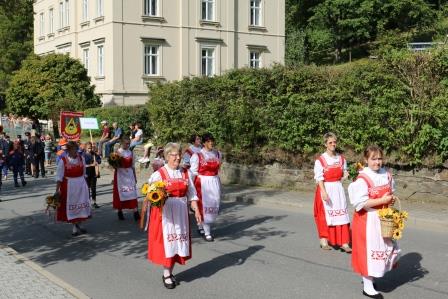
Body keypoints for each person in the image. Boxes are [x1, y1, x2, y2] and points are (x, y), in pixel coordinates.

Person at [147, 142, 202, 289]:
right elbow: (150, 195)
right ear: (167, 156)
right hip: (165, 214)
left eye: (179, 154)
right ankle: (166, 274)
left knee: (178, 243)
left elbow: (192, 193)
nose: (178, 157)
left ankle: (170, 271)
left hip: (181, 212)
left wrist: (196, 210)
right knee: (168, 243)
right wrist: (157, 198)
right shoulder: (159, 174)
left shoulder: (185, 173)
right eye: (174, 155)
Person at [348, 145, 400, 299]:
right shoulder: (362, 179)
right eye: (373, 159)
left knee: (382, 250)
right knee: (368, 253)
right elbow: (361, 203)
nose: (377, 162)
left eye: (379, 158)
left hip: (383, 220)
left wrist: (389, 202)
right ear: (366, 160)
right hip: (367, 220)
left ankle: (370, 279)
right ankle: (368, 286)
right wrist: (382, 200)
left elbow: (391, 193)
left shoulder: (387, 175)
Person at [313, 132, 351, 252]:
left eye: (334, 142)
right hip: (326, 189)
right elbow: (319, 178)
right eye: (330, 142)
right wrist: (323, 192)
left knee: (342, 215)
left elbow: (344, 173)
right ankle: (324, 240)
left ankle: (344, 242)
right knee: (325, 216)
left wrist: (346, 175)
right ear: (325, 144)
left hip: (338, 189)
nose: (333, 144)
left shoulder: (341, 159)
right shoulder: (321, 160)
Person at [190, 133, 222, 241]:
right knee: (204, 206)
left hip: (214, 181)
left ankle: (200, 226)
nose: (211, 143)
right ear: (204, 143)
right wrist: (190, 187)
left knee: (214, 204)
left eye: (212, 141)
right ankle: (207, 232)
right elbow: (193, 172)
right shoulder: (197, 156)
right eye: (208, 141)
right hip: (202, 182)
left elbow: (218, 169)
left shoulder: (218, 154)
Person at [55, 141, 91, 236]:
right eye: (74, 150)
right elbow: (59, 177)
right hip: (69, 186)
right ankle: (74, 226)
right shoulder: (63, 161)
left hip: (81, 185)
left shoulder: (81, 158)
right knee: (72, 205)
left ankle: (80, 223)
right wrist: (57, 190)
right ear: (69, 150)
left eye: (77, 150)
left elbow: (84, 173)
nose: (76, 152)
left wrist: (86, 186)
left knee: (81, 204)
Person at [112, 136, 140, 221]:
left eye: (129, 144)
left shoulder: (131, 153)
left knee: (132, 193)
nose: (128, 145)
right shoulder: (117, 152)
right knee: (121, 193)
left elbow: (133, 166)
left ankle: (135, 212)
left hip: (129, 175)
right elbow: (114, 166)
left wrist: (135, 177)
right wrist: (116, 164)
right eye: (126, 144)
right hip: (120, 175)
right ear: (122, 143)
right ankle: (120, 211)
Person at [83, 142, 101, 209]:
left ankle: (94, 202)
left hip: (93, 173)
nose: (90, 149)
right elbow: (82, 165)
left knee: (93, 188)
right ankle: (87, 202)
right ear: (85, 148)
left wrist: (97, 161)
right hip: (86, 173)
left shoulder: (94, 154)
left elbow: (99, 161)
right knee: (87, 189)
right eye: (88, 148)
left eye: (91, 148)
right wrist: (90, 165)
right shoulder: (83, 155)